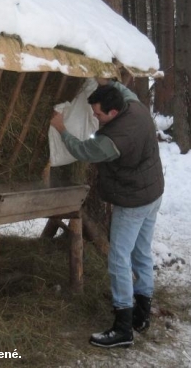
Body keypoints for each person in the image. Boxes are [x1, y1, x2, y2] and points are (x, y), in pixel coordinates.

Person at [50, 78, 164, 348]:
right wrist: (105, 81)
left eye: (98, 114)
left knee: (118, 259)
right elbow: (121, 90)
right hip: (153, 192)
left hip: (133, 201)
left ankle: (123, 327)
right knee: (141, 252)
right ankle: (142, 314)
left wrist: (61, 128)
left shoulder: (113, 139)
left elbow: (82, 150)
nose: (95, 117)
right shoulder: (135, 106)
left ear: (113, 113)